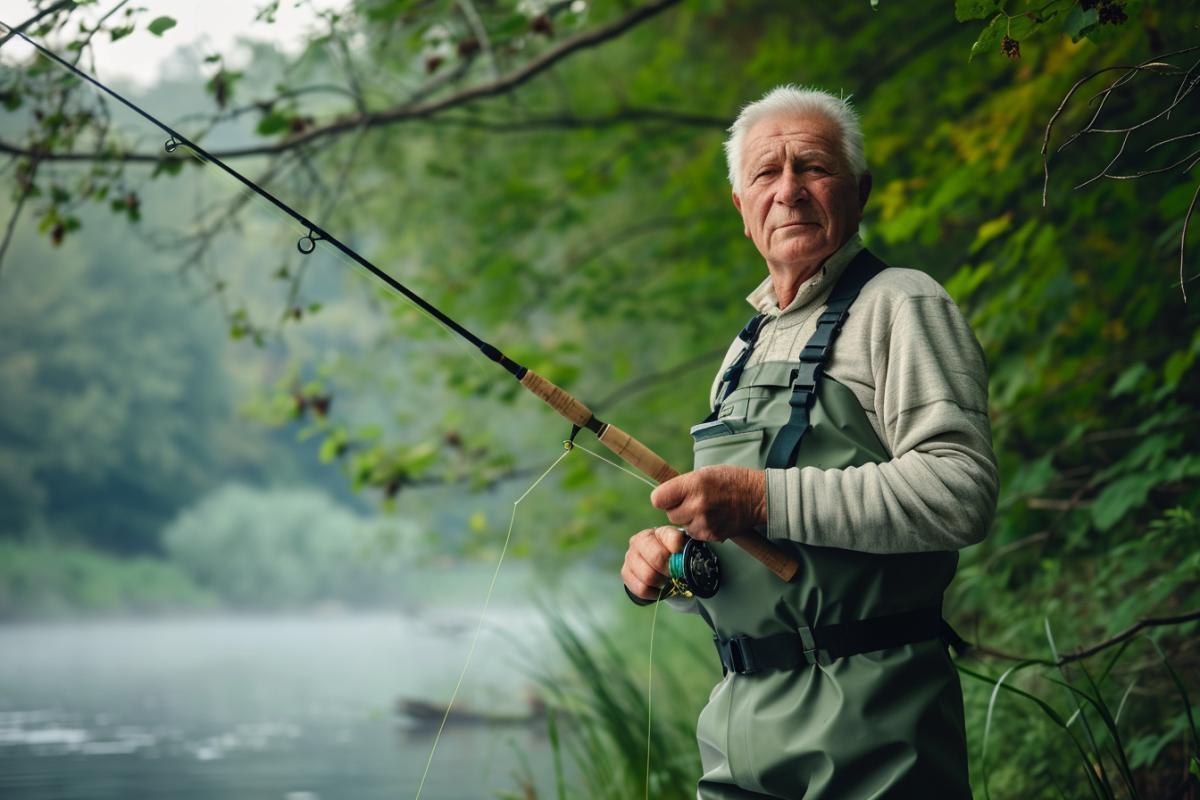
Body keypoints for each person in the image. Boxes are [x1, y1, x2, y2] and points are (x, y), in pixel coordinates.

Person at [620, 85, 998, 799]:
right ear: (742, 208)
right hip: (740, 728)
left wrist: (756, 496)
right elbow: (757, 557)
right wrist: (676, 566)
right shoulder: (744, 348)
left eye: (813, 167)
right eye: (766, 173)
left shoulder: (902, 304)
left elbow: (960, 492)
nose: (788, 191)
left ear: (859, 190)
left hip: (875, 727)